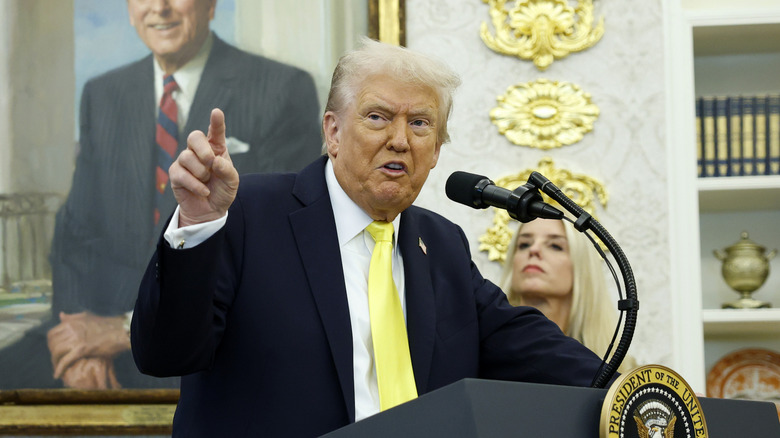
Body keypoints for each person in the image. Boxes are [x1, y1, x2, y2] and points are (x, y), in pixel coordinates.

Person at [131, 38, 613, 437]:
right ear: (333, 132)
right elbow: (164, 353)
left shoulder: (441, 244)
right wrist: (197, 224)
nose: (400, 140)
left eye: (420, 123)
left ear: (437, 150)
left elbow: (526, 345)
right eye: (378, 117)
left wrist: (632, 392)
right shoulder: (247, 214)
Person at [0, 0, 321, 390]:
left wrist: (122, 330)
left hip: (210, 331)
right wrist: (77, 341)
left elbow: (278, 248)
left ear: (211, 5)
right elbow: (74, 237)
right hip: (94, 325)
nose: (160, 8)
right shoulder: (103, 94)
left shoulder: (282, 89)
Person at [500, 217, 638, 373]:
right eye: (524, 244)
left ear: (581, 266)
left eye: (555, 246)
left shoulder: (623, 374)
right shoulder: (482, 353)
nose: (533, 250)